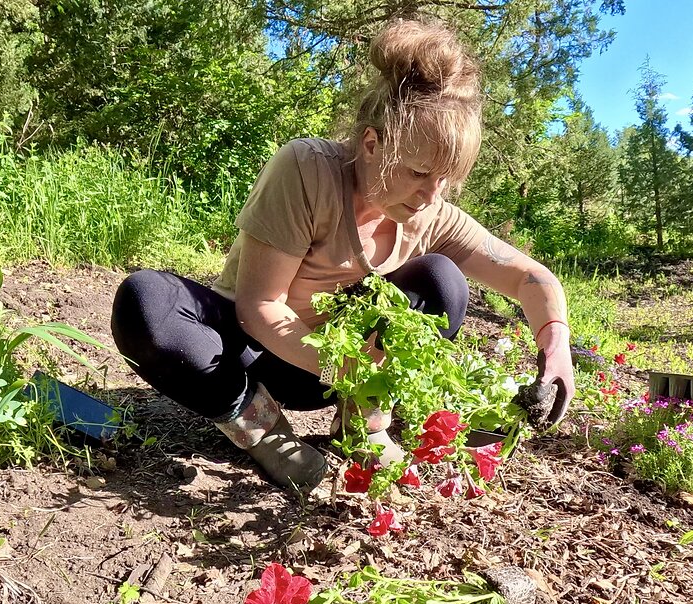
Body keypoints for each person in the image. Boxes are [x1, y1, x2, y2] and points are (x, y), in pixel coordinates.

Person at [111, 17, 576, 498]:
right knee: (146, 302)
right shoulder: (307, 171)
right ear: (372, 144)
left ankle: (362, 428)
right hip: (246, 352)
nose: (430, 194)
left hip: (338, 376)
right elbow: (259, 308)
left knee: (442, 279)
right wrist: (342, 366)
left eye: (445, 179)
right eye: (419, 172)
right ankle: (267, 435)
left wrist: (556, 343)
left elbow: (530, 277)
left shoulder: (431, 214)